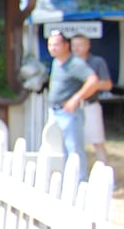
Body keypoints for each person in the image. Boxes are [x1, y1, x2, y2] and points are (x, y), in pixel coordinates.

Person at [46, 28, 100, 169]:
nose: (53, 48)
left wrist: (76, 98)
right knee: (57, 149)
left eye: (56, 44)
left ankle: (79, 182)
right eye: (50, 45)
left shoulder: (75, 63)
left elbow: (93, 81)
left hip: (69, 113)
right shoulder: (56, 62)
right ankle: (63, 181)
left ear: (66, 45)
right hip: (54, 111)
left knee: (74, 150)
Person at [70, 34, 114, 166]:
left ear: (87, 46)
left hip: (90, 105)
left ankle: (106, 175)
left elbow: (107, 84)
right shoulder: (68, 63)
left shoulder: (96, 62)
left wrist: (91, 85)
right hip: (72, 107)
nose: (76, 49)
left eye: (79, 45)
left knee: (97, 141)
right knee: (72, 142)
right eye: (74, 46)